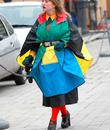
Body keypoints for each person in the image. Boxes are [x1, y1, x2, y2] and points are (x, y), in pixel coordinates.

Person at [17, 0, 86, 130]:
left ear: (54, 4)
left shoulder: (64, 19)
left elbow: (75, 37)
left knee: (57, 91)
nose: (44, 3)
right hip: (44, 61)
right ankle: (65, 114)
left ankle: (52, 121)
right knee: (52, 91)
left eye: (47, 1)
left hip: (61, 60)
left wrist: (64, 44)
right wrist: (30, 57)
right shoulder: (40, 21)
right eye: (43, 1)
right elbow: (34, 43)